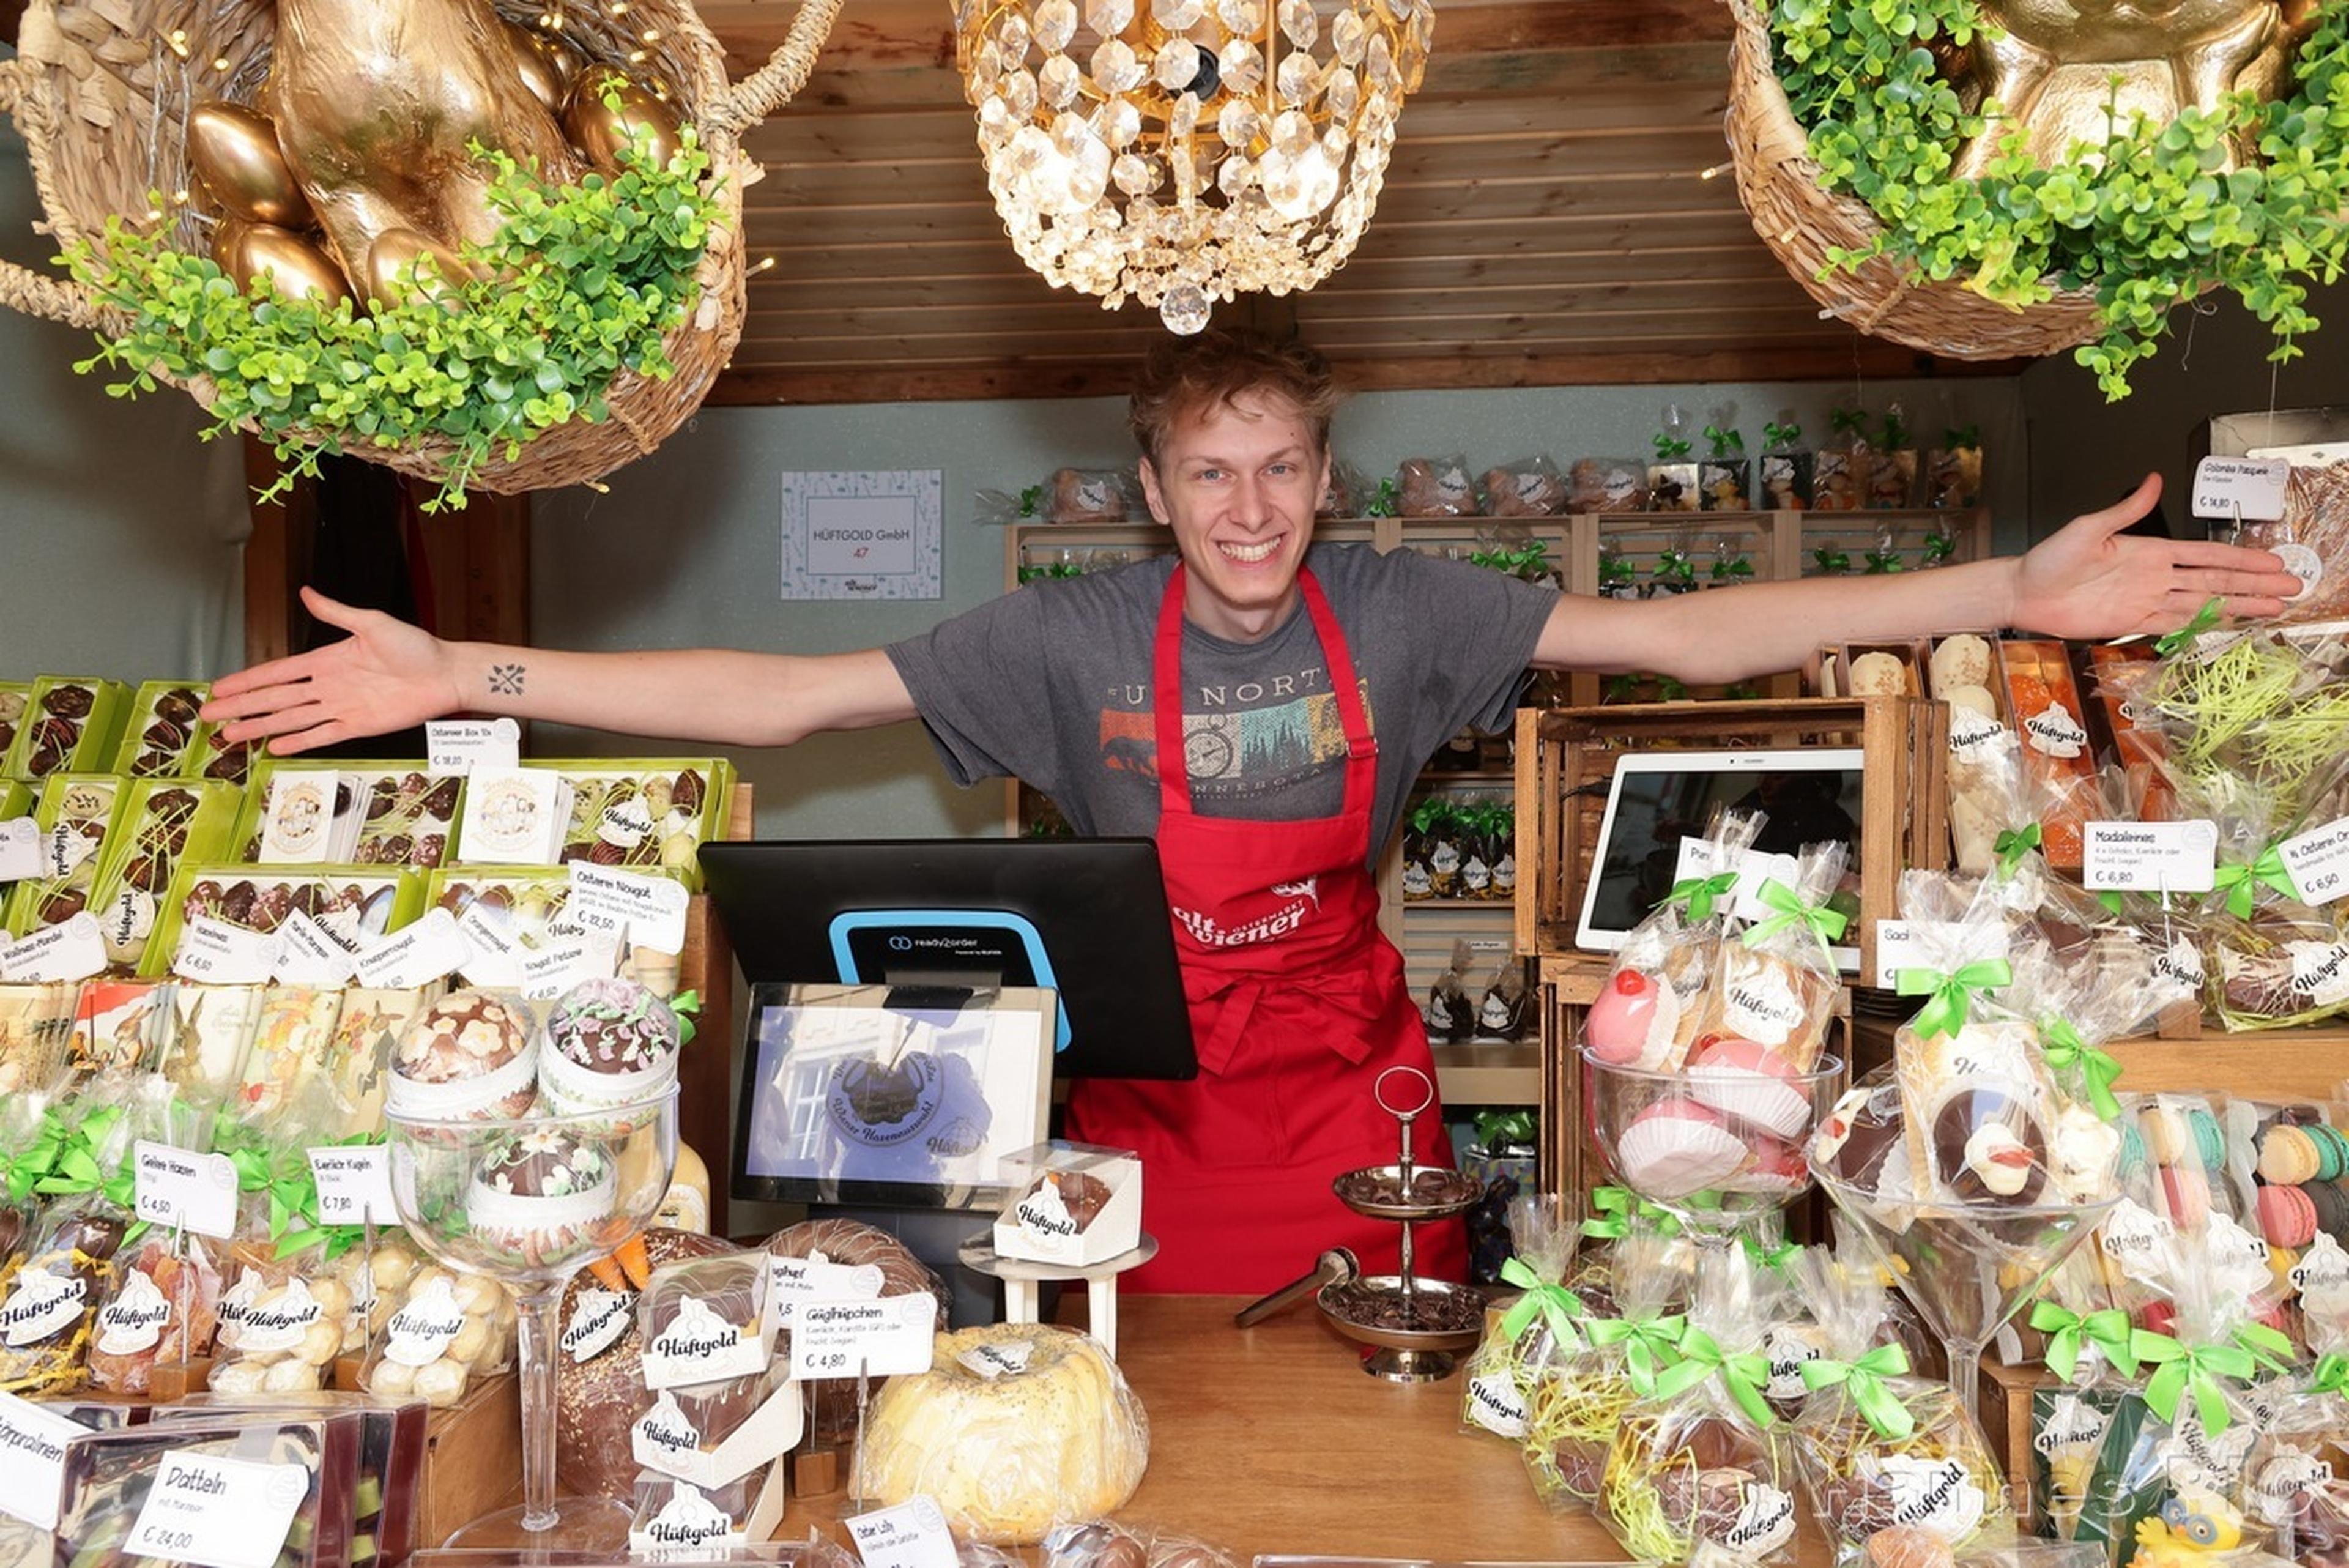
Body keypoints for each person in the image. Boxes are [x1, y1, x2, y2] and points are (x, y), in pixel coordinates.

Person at [202, 331, 2298, 1295]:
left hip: (1361, 1121)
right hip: (1137, 1144)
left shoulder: (1408, 609)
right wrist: (463, 673)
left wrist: (2009, 584)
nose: (1250, 510)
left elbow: (1694, 635)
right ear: (1148, 491)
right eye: (1210, 473)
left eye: (1284, 465)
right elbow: (780, 684)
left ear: (1331, 477)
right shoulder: (1067, 634)